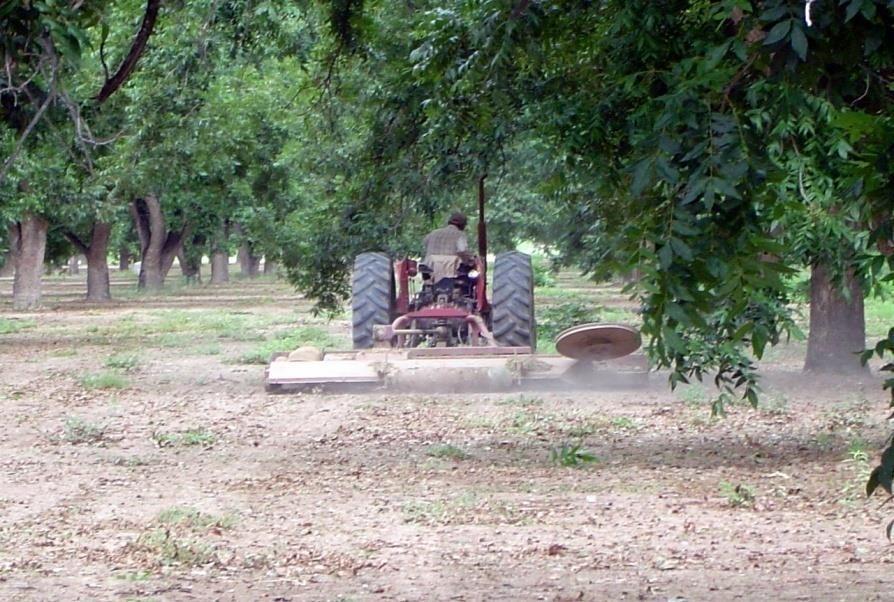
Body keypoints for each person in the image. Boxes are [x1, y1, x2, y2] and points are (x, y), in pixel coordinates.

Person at [422, 211, 473, 283]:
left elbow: (425, 243)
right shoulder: (460, 235)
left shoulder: (434, 233)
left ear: (449, 222)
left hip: (430, 269)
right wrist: (469, 260)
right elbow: (462, 250)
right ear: (463, 225)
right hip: (452, 271)